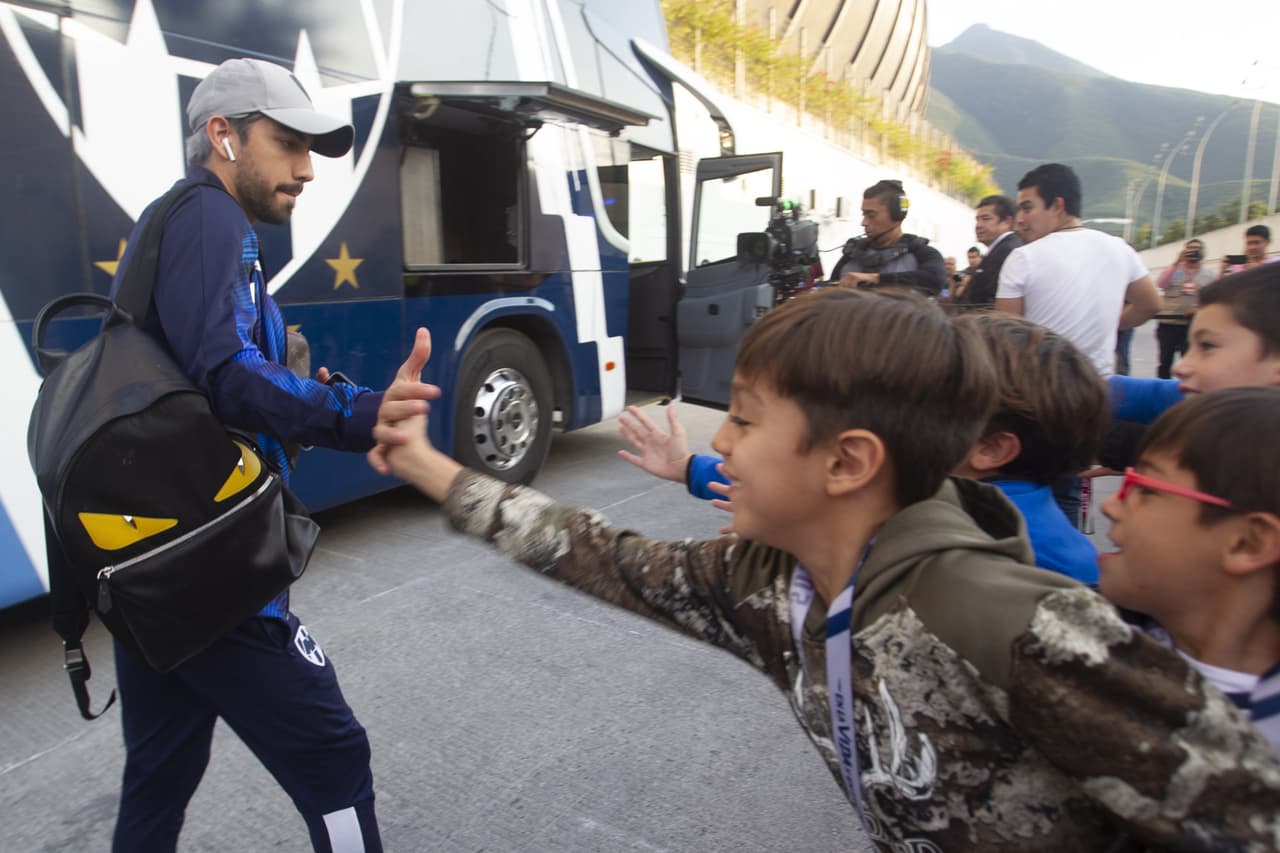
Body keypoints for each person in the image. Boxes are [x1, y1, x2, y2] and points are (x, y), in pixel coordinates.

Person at [372, 289, 1280, 851]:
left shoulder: (1012, 620)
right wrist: (424, 463)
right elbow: (596, 552)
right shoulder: (762, 580)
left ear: (846, 463)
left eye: (744, 418)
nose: (719, 440)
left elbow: (1246, 811)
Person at [104, 58, 435, 853]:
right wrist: (354, 412)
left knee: (161, 768)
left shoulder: (173, 219)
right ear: (224, 136)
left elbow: (202, 376)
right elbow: (221, 373)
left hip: (149, 559)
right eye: (287, 143)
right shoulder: (212, 217)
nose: (306, 169)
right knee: (334, 756)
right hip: (211, 572)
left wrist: (296, 389)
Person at [619, 314, 1104, 585]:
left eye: (933, 393)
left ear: (990, 448)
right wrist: (688, 469)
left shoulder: (1052, 570)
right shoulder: (930, 492)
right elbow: (792, 477)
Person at [1099, 387, 1280, 748]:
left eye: (1145, 489)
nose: (1110, 505)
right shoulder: (1077, 637)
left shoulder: (1263, 751)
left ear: (1248, 542)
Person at [994, 163, 1160, 377]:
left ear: (1057, 206)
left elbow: (1006, 339)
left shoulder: (1023, 258)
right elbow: (1151, 304)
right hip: (1099, 389)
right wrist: (1109, 324)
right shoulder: (1120, 248)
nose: (1019, 219)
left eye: (1027, 208)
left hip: (1042, 388)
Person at [829, 179, 947, 295]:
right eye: (864, 214)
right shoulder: (853, 253)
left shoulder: (922, 253)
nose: (864, 222)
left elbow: (935, 280)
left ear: (897, 214)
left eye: (871, 215)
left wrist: (877, 279)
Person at [1153, 238, 1215, 379]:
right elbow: (1160, 284)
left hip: (1192, 324)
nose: (1193, 252)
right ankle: (1163, 391)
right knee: (1165, 361)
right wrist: (1176, 263)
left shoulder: (1209, 275)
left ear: (1203, 252)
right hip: (1169, 323)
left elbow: (1215, 298)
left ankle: (1184, 390)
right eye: (1190, 248)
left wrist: (1199, 309)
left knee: (1189, 361)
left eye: (1197, 249)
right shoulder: (1174, 270)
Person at [957, 194, 1020, 310]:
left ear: (1007, 221)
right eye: (977, 219)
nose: (978, 225)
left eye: (986, 219)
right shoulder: (1000, 250)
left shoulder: (1007, 252)